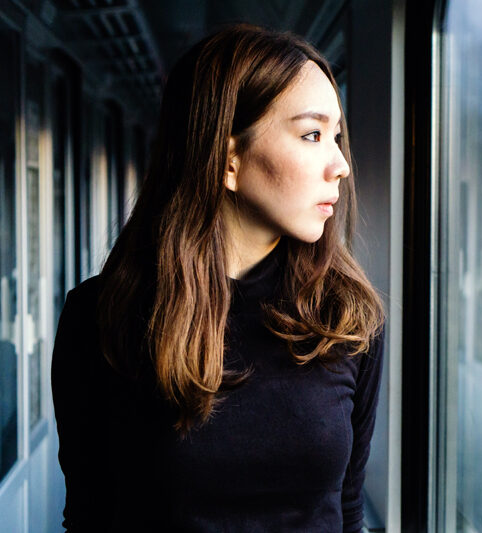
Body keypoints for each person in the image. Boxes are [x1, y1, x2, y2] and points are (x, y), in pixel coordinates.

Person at [51, 25, 384, 533]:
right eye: (312, 135)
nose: (340, 165)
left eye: (337, 137)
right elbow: (90, 516)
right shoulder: (102, 320)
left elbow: (348, 508)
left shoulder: (347, 318)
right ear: (228, 157)